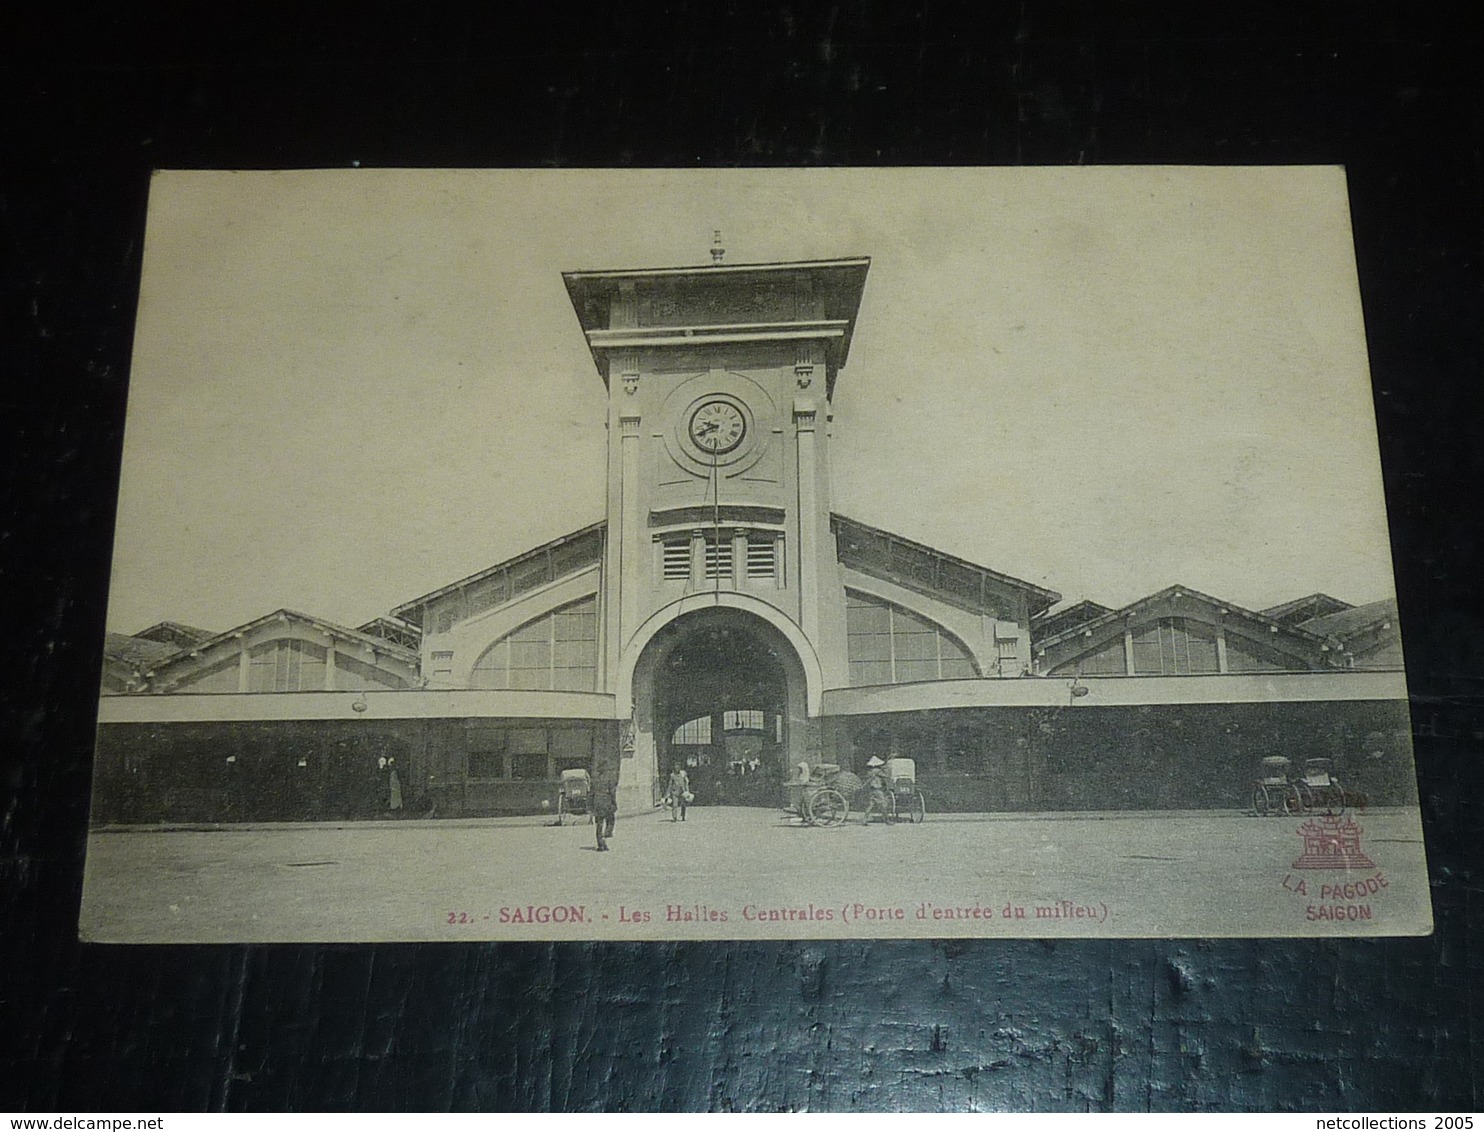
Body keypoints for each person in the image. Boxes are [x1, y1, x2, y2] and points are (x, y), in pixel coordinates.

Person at [592, 774, 617, 851]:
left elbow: (590, 794)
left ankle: (601, 844)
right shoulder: (609, 780)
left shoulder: (594, 781)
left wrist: (591, 807)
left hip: (597, 804)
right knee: (611, 820)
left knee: (599, 824)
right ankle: (605, 838)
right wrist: (614, 804)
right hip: (606, 803)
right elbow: (612, 793)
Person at [862, 756, 890, 825]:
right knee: (884, 804)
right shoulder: (877, 770)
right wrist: (885, 769)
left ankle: (864, 820)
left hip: (872, 790)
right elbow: (886, 776)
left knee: (870, 805)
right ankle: (887, 820)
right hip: (877, 790)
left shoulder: (870, 771)